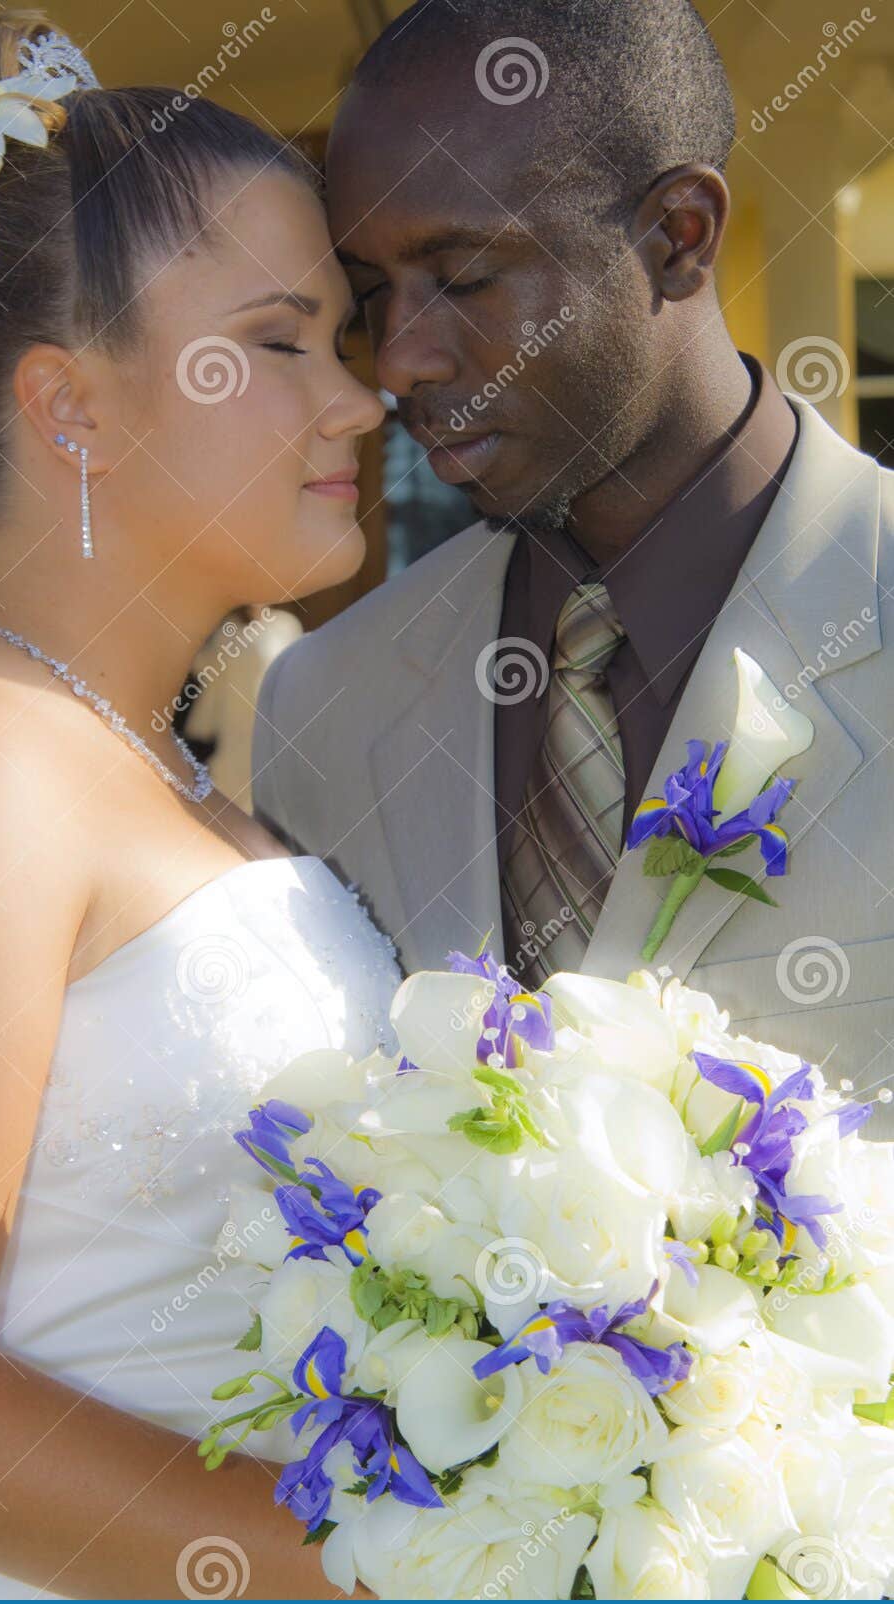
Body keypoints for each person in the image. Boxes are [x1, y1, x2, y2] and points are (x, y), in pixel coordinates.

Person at [0, 13, 392, 1598]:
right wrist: (411, 1579)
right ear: (68, 406)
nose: (354, 403)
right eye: (281, 343)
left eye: (339, 340)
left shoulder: (162, 771)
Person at [253, 0, 894, 1100]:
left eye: (461, 276)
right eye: (371, 295)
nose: (398, 359)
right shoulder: (322, 707)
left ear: (677, 237)